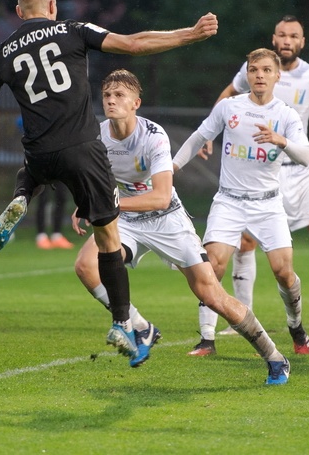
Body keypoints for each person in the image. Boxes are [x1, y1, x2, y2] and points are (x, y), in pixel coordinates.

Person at [0, 0, 218, 365]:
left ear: (18, 12)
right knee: (108, 237)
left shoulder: (5, 51)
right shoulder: (72, 30)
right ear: (52, 7)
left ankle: (21, 197)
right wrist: (189, 35)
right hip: (82, 148)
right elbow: (133, 44)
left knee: (32, 172)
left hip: (40, 152)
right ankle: (122, 322)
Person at [70, 69, 290, 383]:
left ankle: (274, 356)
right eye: (107, 95)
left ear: (136, 103)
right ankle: (141, 327)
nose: (111, 100)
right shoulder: (97, 136)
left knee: (212, 295)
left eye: (119, 95)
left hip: (167, 220)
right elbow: (93, 180)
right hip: (127, 219)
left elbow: (160, 197)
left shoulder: (153, 135)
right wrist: (87, 200)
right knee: (85, 266)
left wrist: (104, 206)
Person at [205, 15, 309, 347]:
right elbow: (228, 96)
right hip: (257, 173)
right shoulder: (255, 70)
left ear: (302, 42)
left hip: (298, 173)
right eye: (282, 35)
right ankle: (240, 316)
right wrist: (211, 133)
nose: (286, 40)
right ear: (274, 38)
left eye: (293, 36)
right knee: (245, 243)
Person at [172, 48, 309, 358]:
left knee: (283, 272)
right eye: (254, 70)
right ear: (247, 74)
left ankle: (296, 325)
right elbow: (199, 136)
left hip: (267, 205)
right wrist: (171, 168)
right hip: (229, 201)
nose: (259, 75)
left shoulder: (286, 115)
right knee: (212, 265)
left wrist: (282, 141)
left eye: (266, 70)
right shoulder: (229, 107)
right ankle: (207, 338)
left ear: (278, 76)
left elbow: (306, 157)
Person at [35, 181, 74, 249]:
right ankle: (41, 236)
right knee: (43, 197)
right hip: (42, 171)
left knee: (61, 196)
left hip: (59, 170)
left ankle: (57, 235)